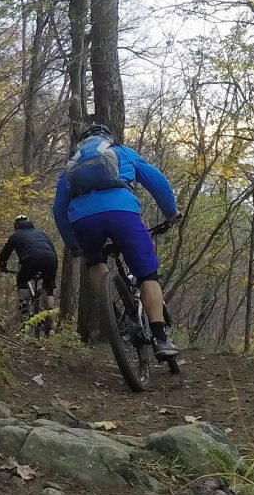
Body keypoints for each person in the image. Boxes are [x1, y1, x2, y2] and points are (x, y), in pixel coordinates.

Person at [52, 120, 181, 358]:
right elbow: (157, 181)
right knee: (147, 275)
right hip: (122, 214)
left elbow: (59, 209)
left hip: (83, 220)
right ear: (108, 137)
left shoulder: (73, 163)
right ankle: (161, 339)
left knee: (95, 262)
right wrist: (171, 213)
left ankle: (110, 311)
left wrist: (73, 244)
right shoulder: (122, 151)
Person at [0, 214, 58, 324]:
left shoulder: (16, 235)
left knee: (22, 282)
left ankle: (24, 311)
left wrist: (2, 266)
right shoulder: (41, 233)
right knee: (49, 288)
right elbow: (52, 250)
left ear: (16, 226)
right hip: (51, 260)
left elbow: (5, 253)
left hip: (31, 260)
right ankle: (49, 317)